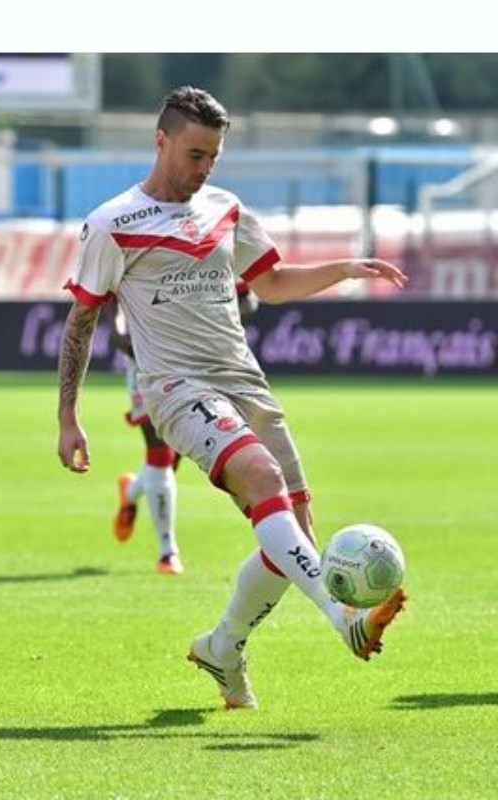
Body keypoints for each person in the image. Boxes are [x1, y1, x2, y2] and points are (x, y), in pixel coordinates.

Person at [58, 86, 408, 711]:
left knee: (292, 535)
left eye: (213, 157)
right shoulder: (112, 224)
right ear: (161, 140)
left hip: (245, 382)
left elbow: (269, 283)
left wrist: (344, 268)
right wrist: (68, 416)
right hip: (176, 388)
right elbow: (81, 323)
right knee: (259, 473)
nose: (203, 170)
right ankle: (341, 618)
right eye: (195, 154)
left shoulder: (225, 207)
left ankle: (223, 647)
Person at [108, 280, 259, 577]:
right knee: (159, 454)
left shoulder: (213, 238)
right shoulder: (134, 239)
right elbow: (115, 307)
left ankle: (133, 491)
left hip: (203, 359)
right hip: (149, 363)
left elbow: (248, 298)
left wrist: (211, 324)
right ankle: (168, 551)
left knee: (182, 452)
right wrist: (123, 335)